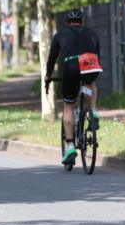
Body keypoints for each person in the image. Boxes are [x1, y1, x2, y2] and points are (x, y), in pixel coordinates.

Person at [44, 8, 103, 166]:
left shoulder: (60, 34)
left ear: (66, 23)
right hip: (91, 63)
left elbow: (52, 58)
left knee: (69, 104)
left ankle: (70, 146)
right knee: (90, 83)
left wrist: (48, 75)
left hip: (71, 65)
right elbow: (98, 53)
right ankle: (94, 111)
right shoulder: (92, 33)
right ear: (82, 21)